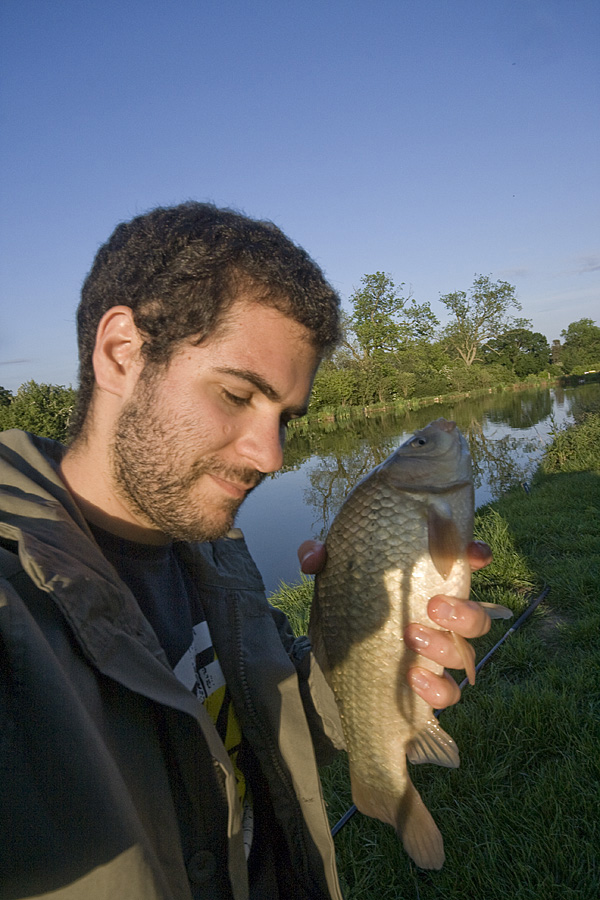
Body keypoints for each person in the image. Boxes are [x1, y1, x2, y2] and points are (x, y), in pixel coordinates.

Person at [0, 202, 491, 900]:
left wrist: (357, 658)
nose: (271, 455)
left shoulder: (211, 551)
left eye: (285, 417)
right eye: (237, 394)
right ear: (121, 353)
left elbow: (266, 727)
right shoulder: (14, 598)